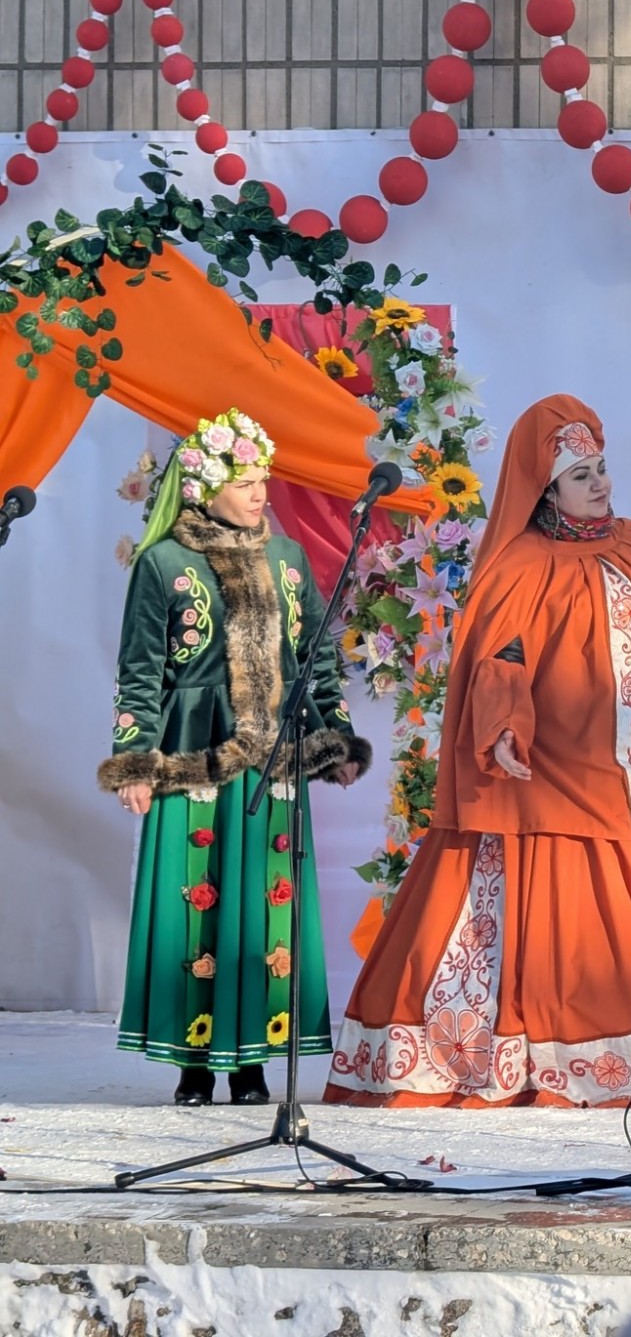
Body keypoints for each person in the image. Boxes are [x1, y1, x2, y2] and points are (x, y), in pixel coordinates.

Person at [325, 396, 631, 1107]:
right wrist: (501, 729)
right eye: (582, 474)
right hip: (561, 782)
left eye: (602, 469)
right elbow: (504, 658)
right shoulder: (520, 566)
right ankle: (561, 1059)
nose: (601, 484)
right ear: (546, 488)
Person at [98, 409, 369, 1106]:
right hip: (195, 748)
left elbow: (315, 658)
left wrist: (333, 736)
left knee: (263, 903)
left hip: (272, 752)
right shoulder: (163, 563)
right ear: (201, 488)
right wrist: (135, 757)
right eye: (246, 482)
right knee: (198, 895)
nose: (261, 495)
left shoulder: (286, 559)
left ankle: (252, 1063)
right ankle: (194, 1063)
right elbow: (141, 669)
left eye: (263, 480)